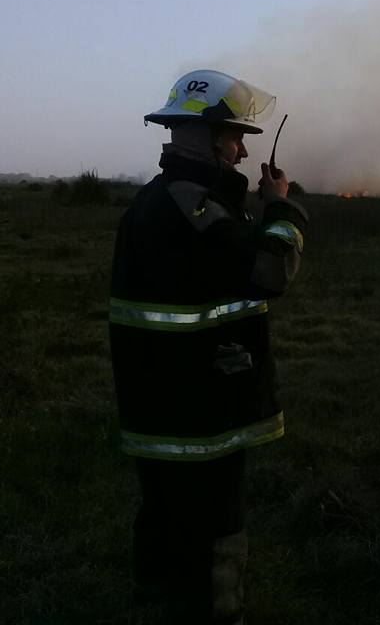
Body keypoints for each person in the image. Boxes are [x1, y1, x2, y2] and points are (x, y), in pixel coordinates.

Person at [109, 69, 307, 623]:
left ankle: (158, 601)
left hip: (163, 401)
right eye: (235, 138)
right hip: (198, 412)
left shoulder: (162, 199)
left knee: (167, 516)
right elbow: (271, 272)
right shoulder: (195, 208)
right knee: (215, 526)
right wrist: (283, 210)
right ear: (208, 135)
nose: (243, 152)